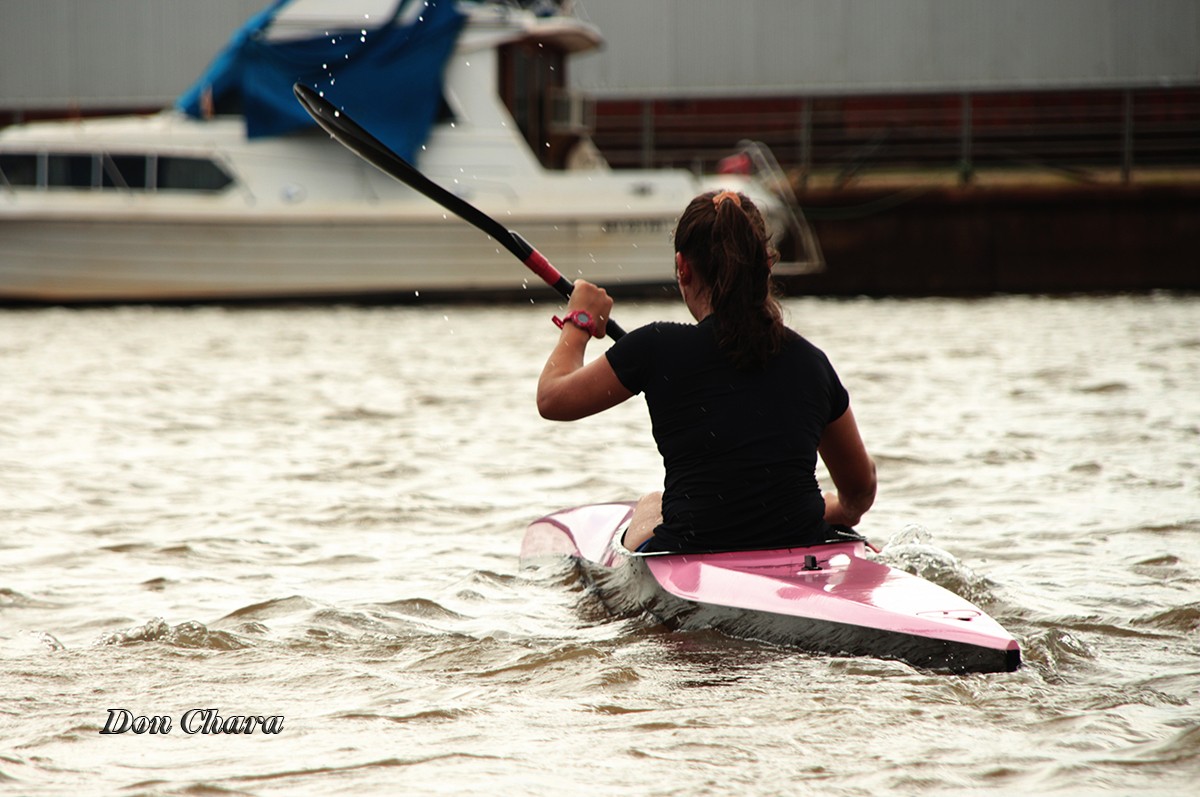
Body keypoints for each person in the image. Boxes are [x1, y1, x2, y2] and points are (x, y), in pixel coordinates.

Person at [537, 189, 876, 553]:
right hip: (803, 540)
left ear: (683, 267)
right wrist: (838, 511)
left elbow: (552, 398)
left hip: (693, 546)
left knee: (652, 503)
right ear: (766, 265)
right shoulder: (811, 362)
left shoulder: (656, 346)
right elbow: (860, 489)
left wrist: (580, 321)